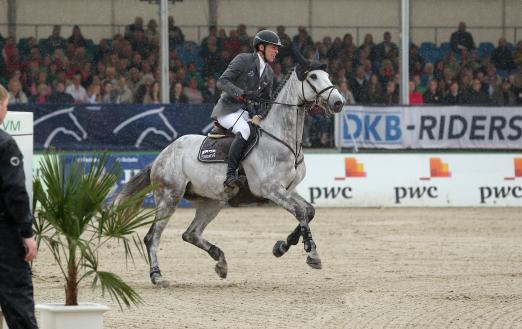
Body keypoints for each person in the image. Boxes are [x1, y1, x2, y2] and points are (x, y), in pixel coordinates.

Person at [211, 30, 281, 189]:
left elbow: (265, 101)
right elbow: (222, 82)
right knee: (244, 130)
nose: (276, 51)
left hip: (246, 113)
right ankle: (229, 175)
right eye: (273, 47)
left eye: (277, 49)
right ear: (261, 47)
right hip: (228, 109)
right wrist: (242, 94)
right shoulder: (243, 59)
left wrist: (261, 115)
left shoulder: (269, 73)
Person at [0, 84, 39, 329]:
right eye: (5, 106)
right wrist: (27, 232)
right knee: (17, 299)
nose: (6, 111)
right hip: (4, 234)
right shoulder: (5, 144)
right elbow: (14, 191)